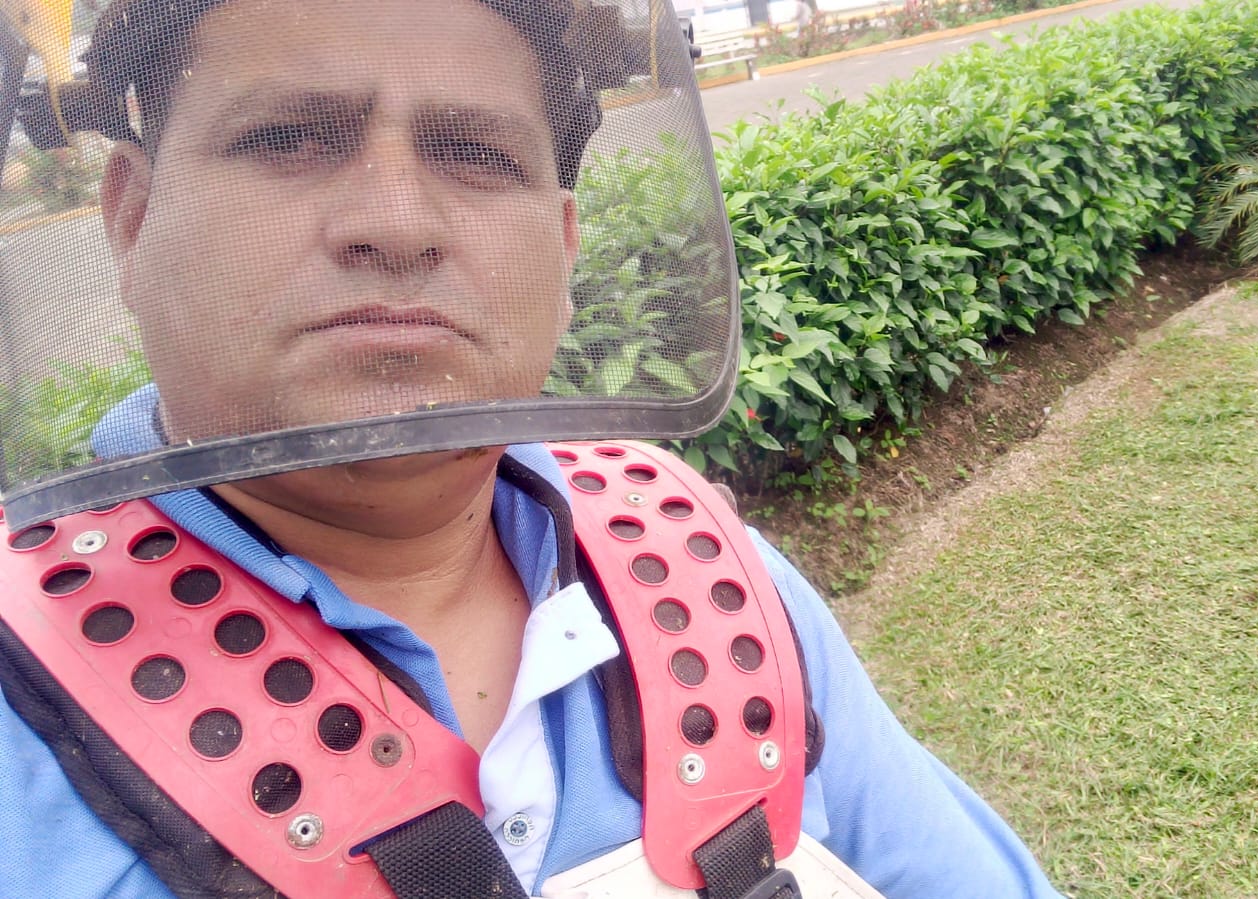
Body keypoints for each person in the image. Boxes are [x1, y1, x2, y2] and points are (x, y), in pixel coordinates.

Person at [0, 0, 1071, 897]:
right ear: (131, 218)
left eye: (477, 154)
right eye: (286, 138)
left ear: (562, 252)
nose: (396, 222)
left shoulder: (704, 573)